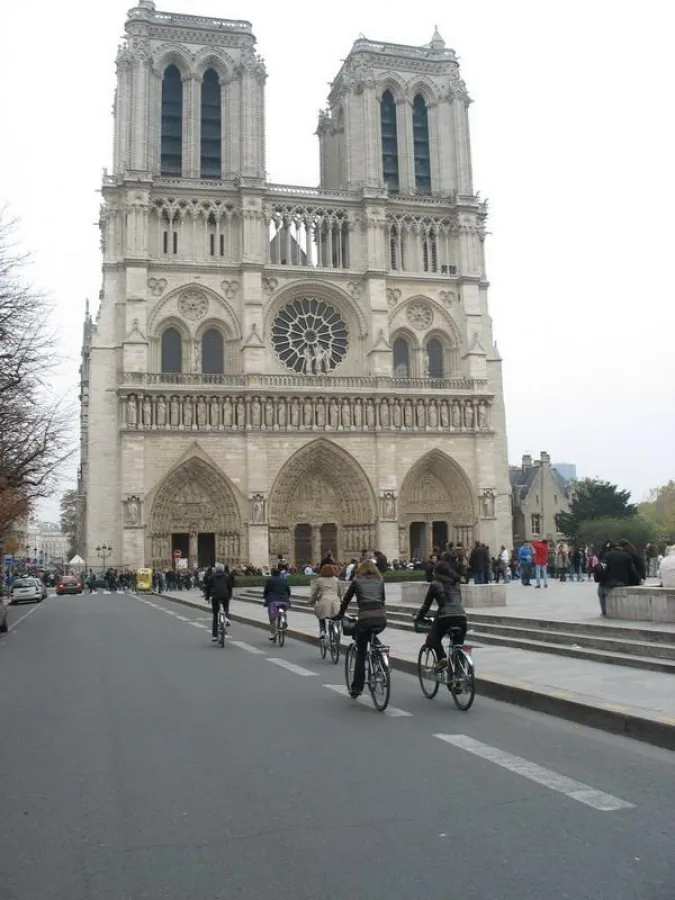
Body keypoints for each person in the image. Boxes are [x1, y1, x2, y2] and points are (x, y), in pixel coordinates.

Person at [334, 560, 387, 699]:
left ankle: (357, 688)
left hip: (365, 618)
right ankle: (380, 655)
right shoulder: (380, 580)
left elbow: (345, 600)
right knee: (372, 634)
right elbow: (382, 600)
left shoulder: (357, 581)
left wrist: (340, 615)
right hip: (381, 618)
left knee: (361, 651)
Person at [414, 560, 467, 671]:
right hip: (461, 616)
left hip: (445, 618)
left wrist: (418, 617)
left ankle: (442, 659)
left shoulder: (434, 584)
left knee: (432, 640)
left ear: (436, 572)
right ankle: (460, 674)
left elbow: (426, 606)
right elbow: (458, 601)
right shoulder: (456, 583)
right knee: (459, 645)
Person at [308, 563, 342, 640]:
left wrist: (311, 601)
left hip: (324, 601)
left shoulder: (319, 580)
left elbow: (315, 593)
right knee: (335, 617)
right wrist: (341, 600)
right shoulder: (336, 579)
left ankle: (323, 631)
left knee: (321, 616)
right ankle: (336, 630)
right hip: (335, 601)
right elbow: (339, 592)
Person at [263, 567, 291, 641]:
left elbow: (266, 590)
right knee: (283, 610)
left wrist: (265, 598)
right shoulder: (284, 580)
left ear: (272, 573)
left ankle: (273, 633)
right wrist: (287, 597)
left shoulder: (269, 580)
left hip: (273, 601)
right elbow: (288, 591)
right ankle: (284, 620)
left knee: (272, 619)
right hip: (284, 600)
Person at [210, 563, 232, 642]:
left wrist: (208, 596)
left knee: (215, 615)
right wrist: (229, 596)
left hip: (215, 597)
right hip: (225, 596)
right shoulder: (226, 576)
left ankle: (214, 636)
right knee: (226, 609)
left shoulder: (212, 577)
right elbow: (229, 587)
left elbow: (209, 587)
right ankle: (226, 618)